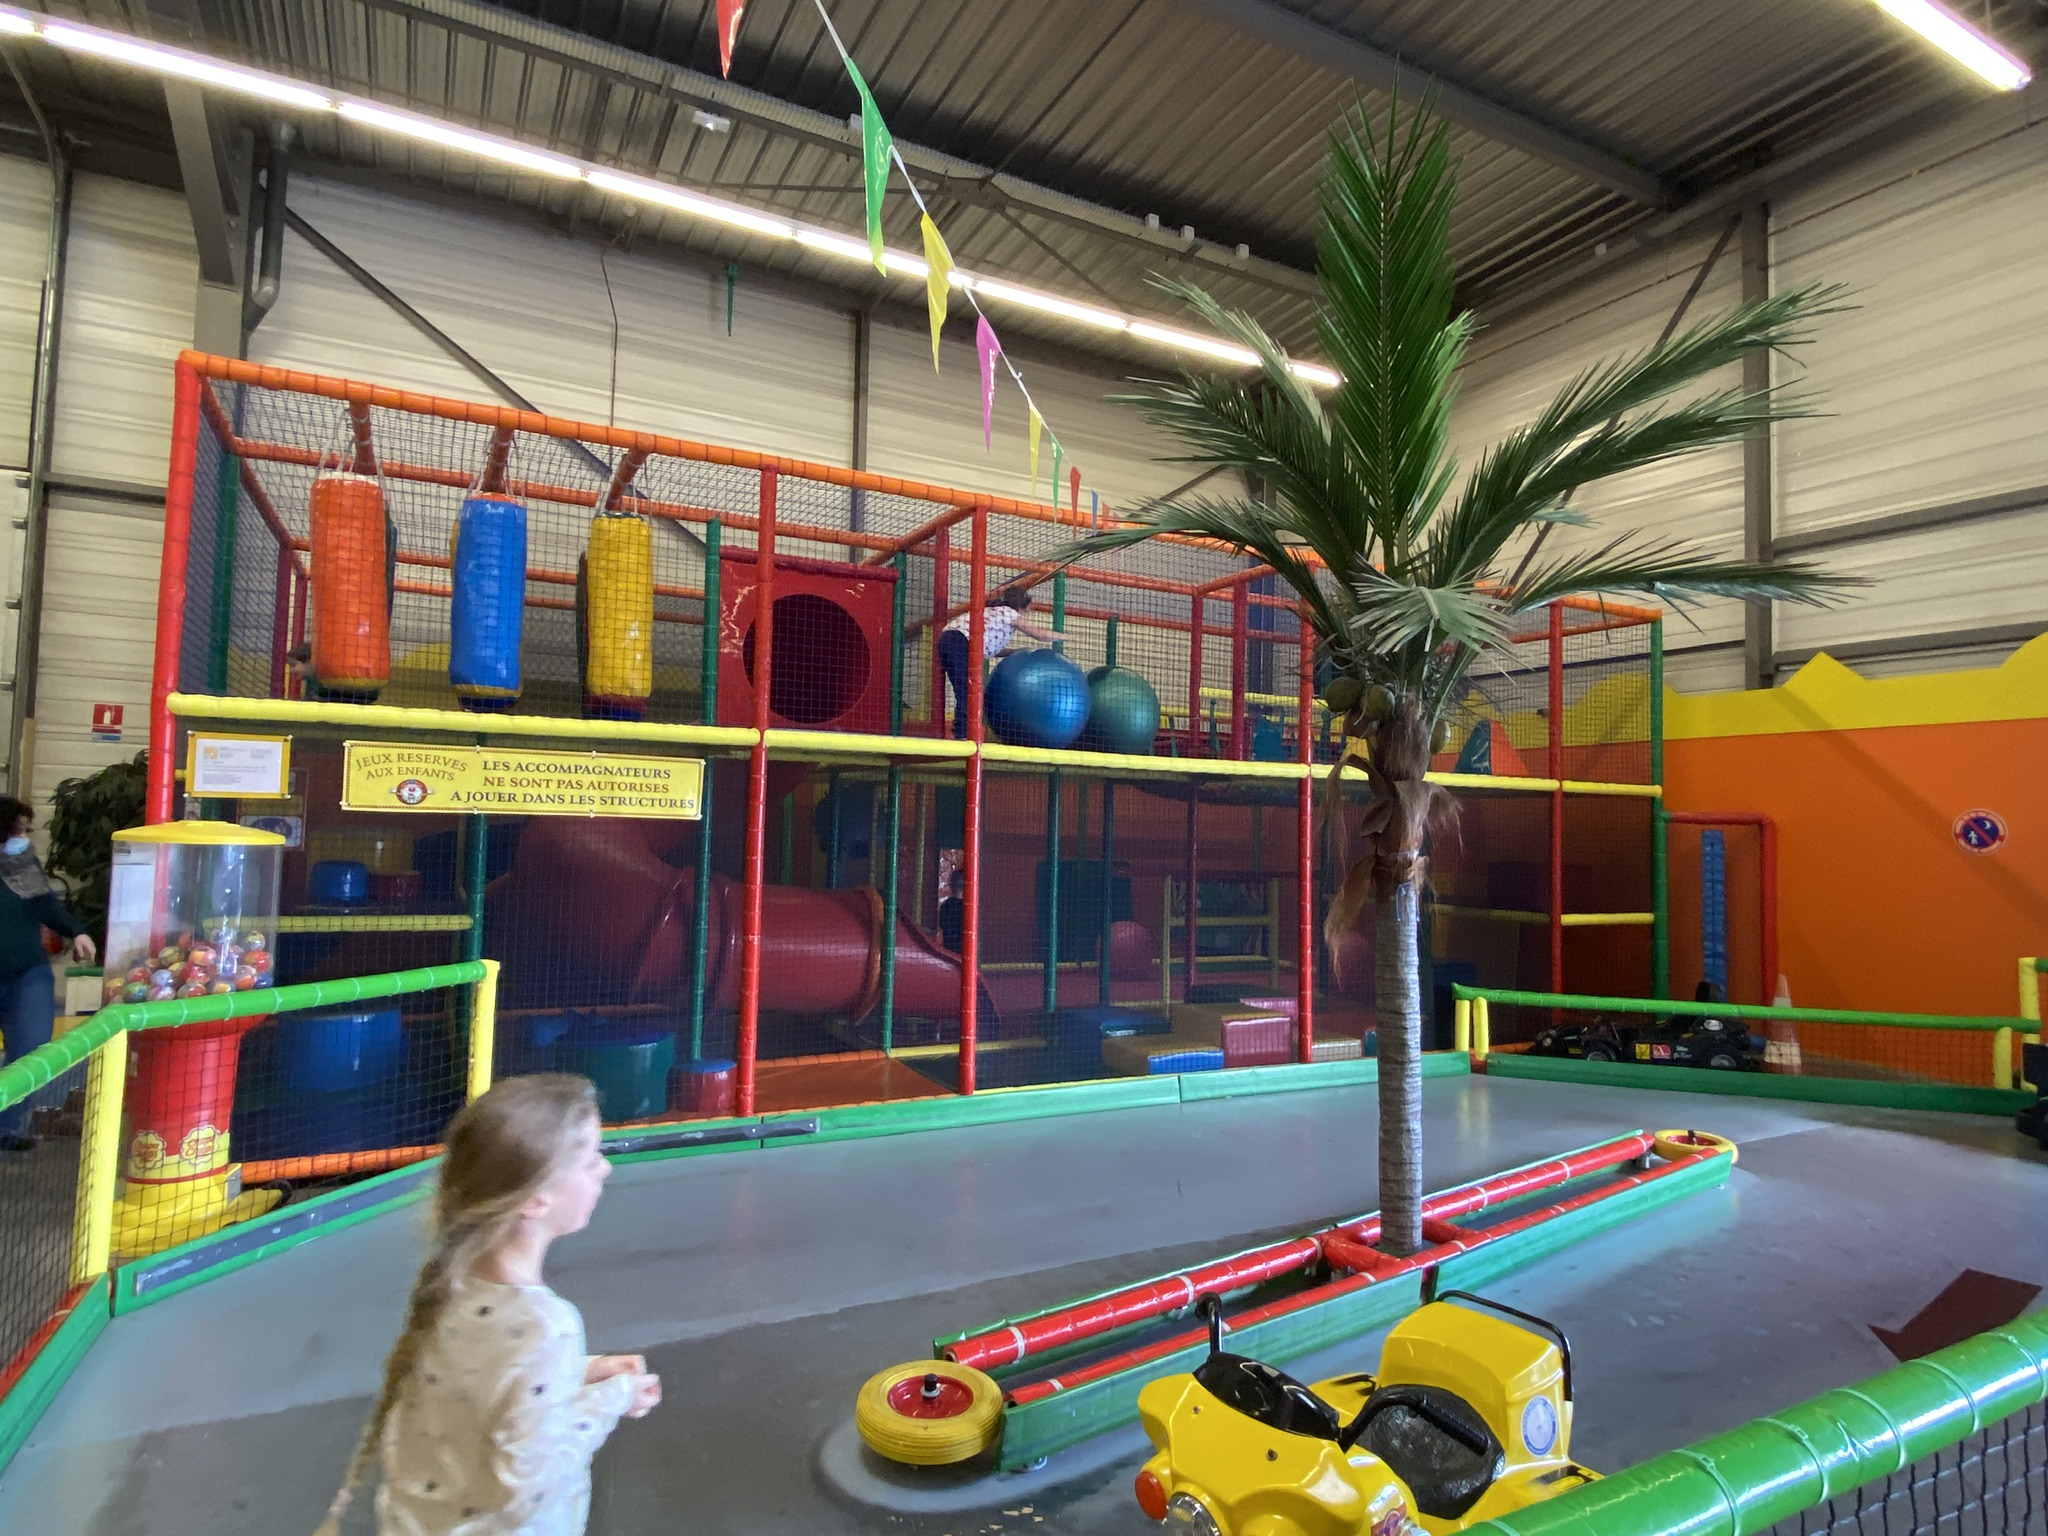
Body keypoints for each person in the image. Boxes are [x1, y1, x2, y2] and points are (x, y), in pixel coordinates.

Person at [314, 1075, 662, 1536]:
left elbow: (485, 1386)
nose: (604, 1169)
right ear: (537, 1200)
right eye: (590, 1160)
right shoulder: (545, 1326)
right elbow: (527, 1485)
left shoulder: (451, 1285)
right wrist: (612, 1398)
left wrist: (581, 1372)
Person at [0, 796, 94, 1152]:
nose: (25, 838)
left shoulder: (23, 866)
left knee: (30, 1051)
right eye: (19, 830)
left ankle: (8, 1128)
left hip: (27, 974)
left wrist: (77, 931)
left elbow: (46, 905)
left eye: (27, 830)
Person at [935, 585, 1059, 739]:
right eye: (1026, 611)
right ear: (1020, 607)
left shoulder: (995, 613)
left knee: (966, 688)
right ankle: (963, 734)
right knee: (968, 689)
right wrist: (1065, 636)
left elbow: (991, 649)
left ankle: (962, 732)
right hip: (959, 641)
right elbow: (1039, 634)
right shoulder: (1009, 613)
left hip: (949, 640)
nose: (1025, 615)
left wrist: (1014, 652)